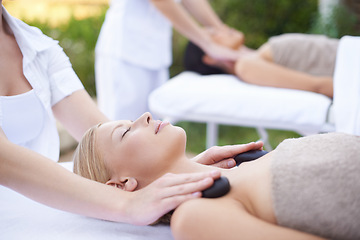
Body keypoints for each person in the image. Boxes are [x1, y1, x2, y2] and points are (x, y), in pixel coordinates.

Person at [0, 3, 259, 225]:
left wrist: (173, 168)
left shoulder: (38, 47)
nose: (145, 116)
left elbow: (101, 141)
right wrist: (127, 204)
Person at [73, 112, 360, 239]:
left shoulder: (239, 167)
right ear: (122, 185)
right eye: (125, 132)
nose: (145, 116)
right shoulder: (195, 216)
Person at [95, 0, 243, 121]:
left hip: (156, 54)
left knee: (152, 132)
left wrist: (222, 31)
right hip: (126, 51)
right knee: (121, 129)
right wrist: (207, 44)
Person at [184, 30, 338, 98]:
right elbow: (317, 86)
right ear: (209, 58)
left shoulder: (256, 58)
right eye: (213, 34)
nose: (222, 29)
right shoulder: (246, 66)